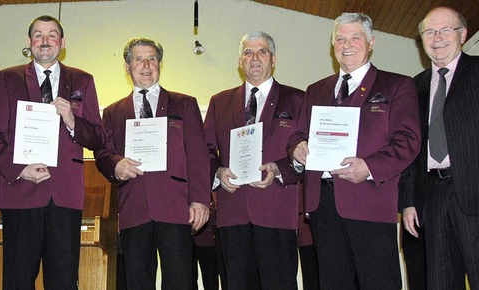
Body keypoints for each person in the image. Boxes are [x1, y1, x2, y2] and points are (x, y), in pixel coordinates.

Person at [288, 12, 420, 289]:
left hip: (369, 200)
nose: (346, 45)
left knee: (378, 281)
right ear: (332, 45)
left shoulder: (397, 85)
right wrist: (296, 148)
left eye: (355, 38)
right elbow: (298, 134)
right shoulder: (316, 89)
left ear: (371, 41)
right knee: (334, 282)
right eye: (340, 39)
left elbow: (407, 140)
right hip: (322, 204)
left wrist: (369, 167)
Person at [0, 15, 104, 290]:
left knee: (63, 280)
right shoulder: (6, 78)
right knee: (18, 279)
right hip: (21, 192)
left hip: (65, 196)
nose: (45, 41)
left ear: (62, 42)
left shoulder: (83, 80)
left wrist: (72, 120)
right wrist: (18, 169)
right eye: (38, 35)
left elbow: (97, 137)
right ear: (29, 42)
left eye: (51, 35)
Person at [95, 37, 209, 289]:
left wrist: (200, 199)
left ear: (160, 64)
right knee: (137, 282)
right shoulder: (112, 112)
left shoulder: (185, 104)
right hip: (134, 207)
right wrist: (115, 165)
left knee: (181, 280)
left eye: (152, 59)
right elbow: (103, 155)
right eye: (138, 59)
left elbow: (199, 157)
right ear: (127, 66)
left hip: (177, 206)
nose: (146, 65)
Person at [204, 31, 304, 289]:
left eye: (262, 52)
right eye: (248, 53)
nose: (255, 58)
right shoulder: (219, 102)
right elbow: (204, 152)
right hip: (232, 214)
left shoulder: (298, 99)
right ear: (240, 61)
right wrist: (218, 173)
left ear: (273, 59)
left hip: (276, 213)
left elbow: (306, 153)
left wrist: (279, 169)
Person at [401, 6, 479, 289]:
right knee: (440, 282)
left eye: (446, 29)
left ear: (463, 34)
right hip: (430, 198)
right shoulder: (413, 87)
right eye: (429, 32)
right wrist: (409, 201)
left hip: (474, 192)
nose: (438, 37)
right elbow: (410, 148)